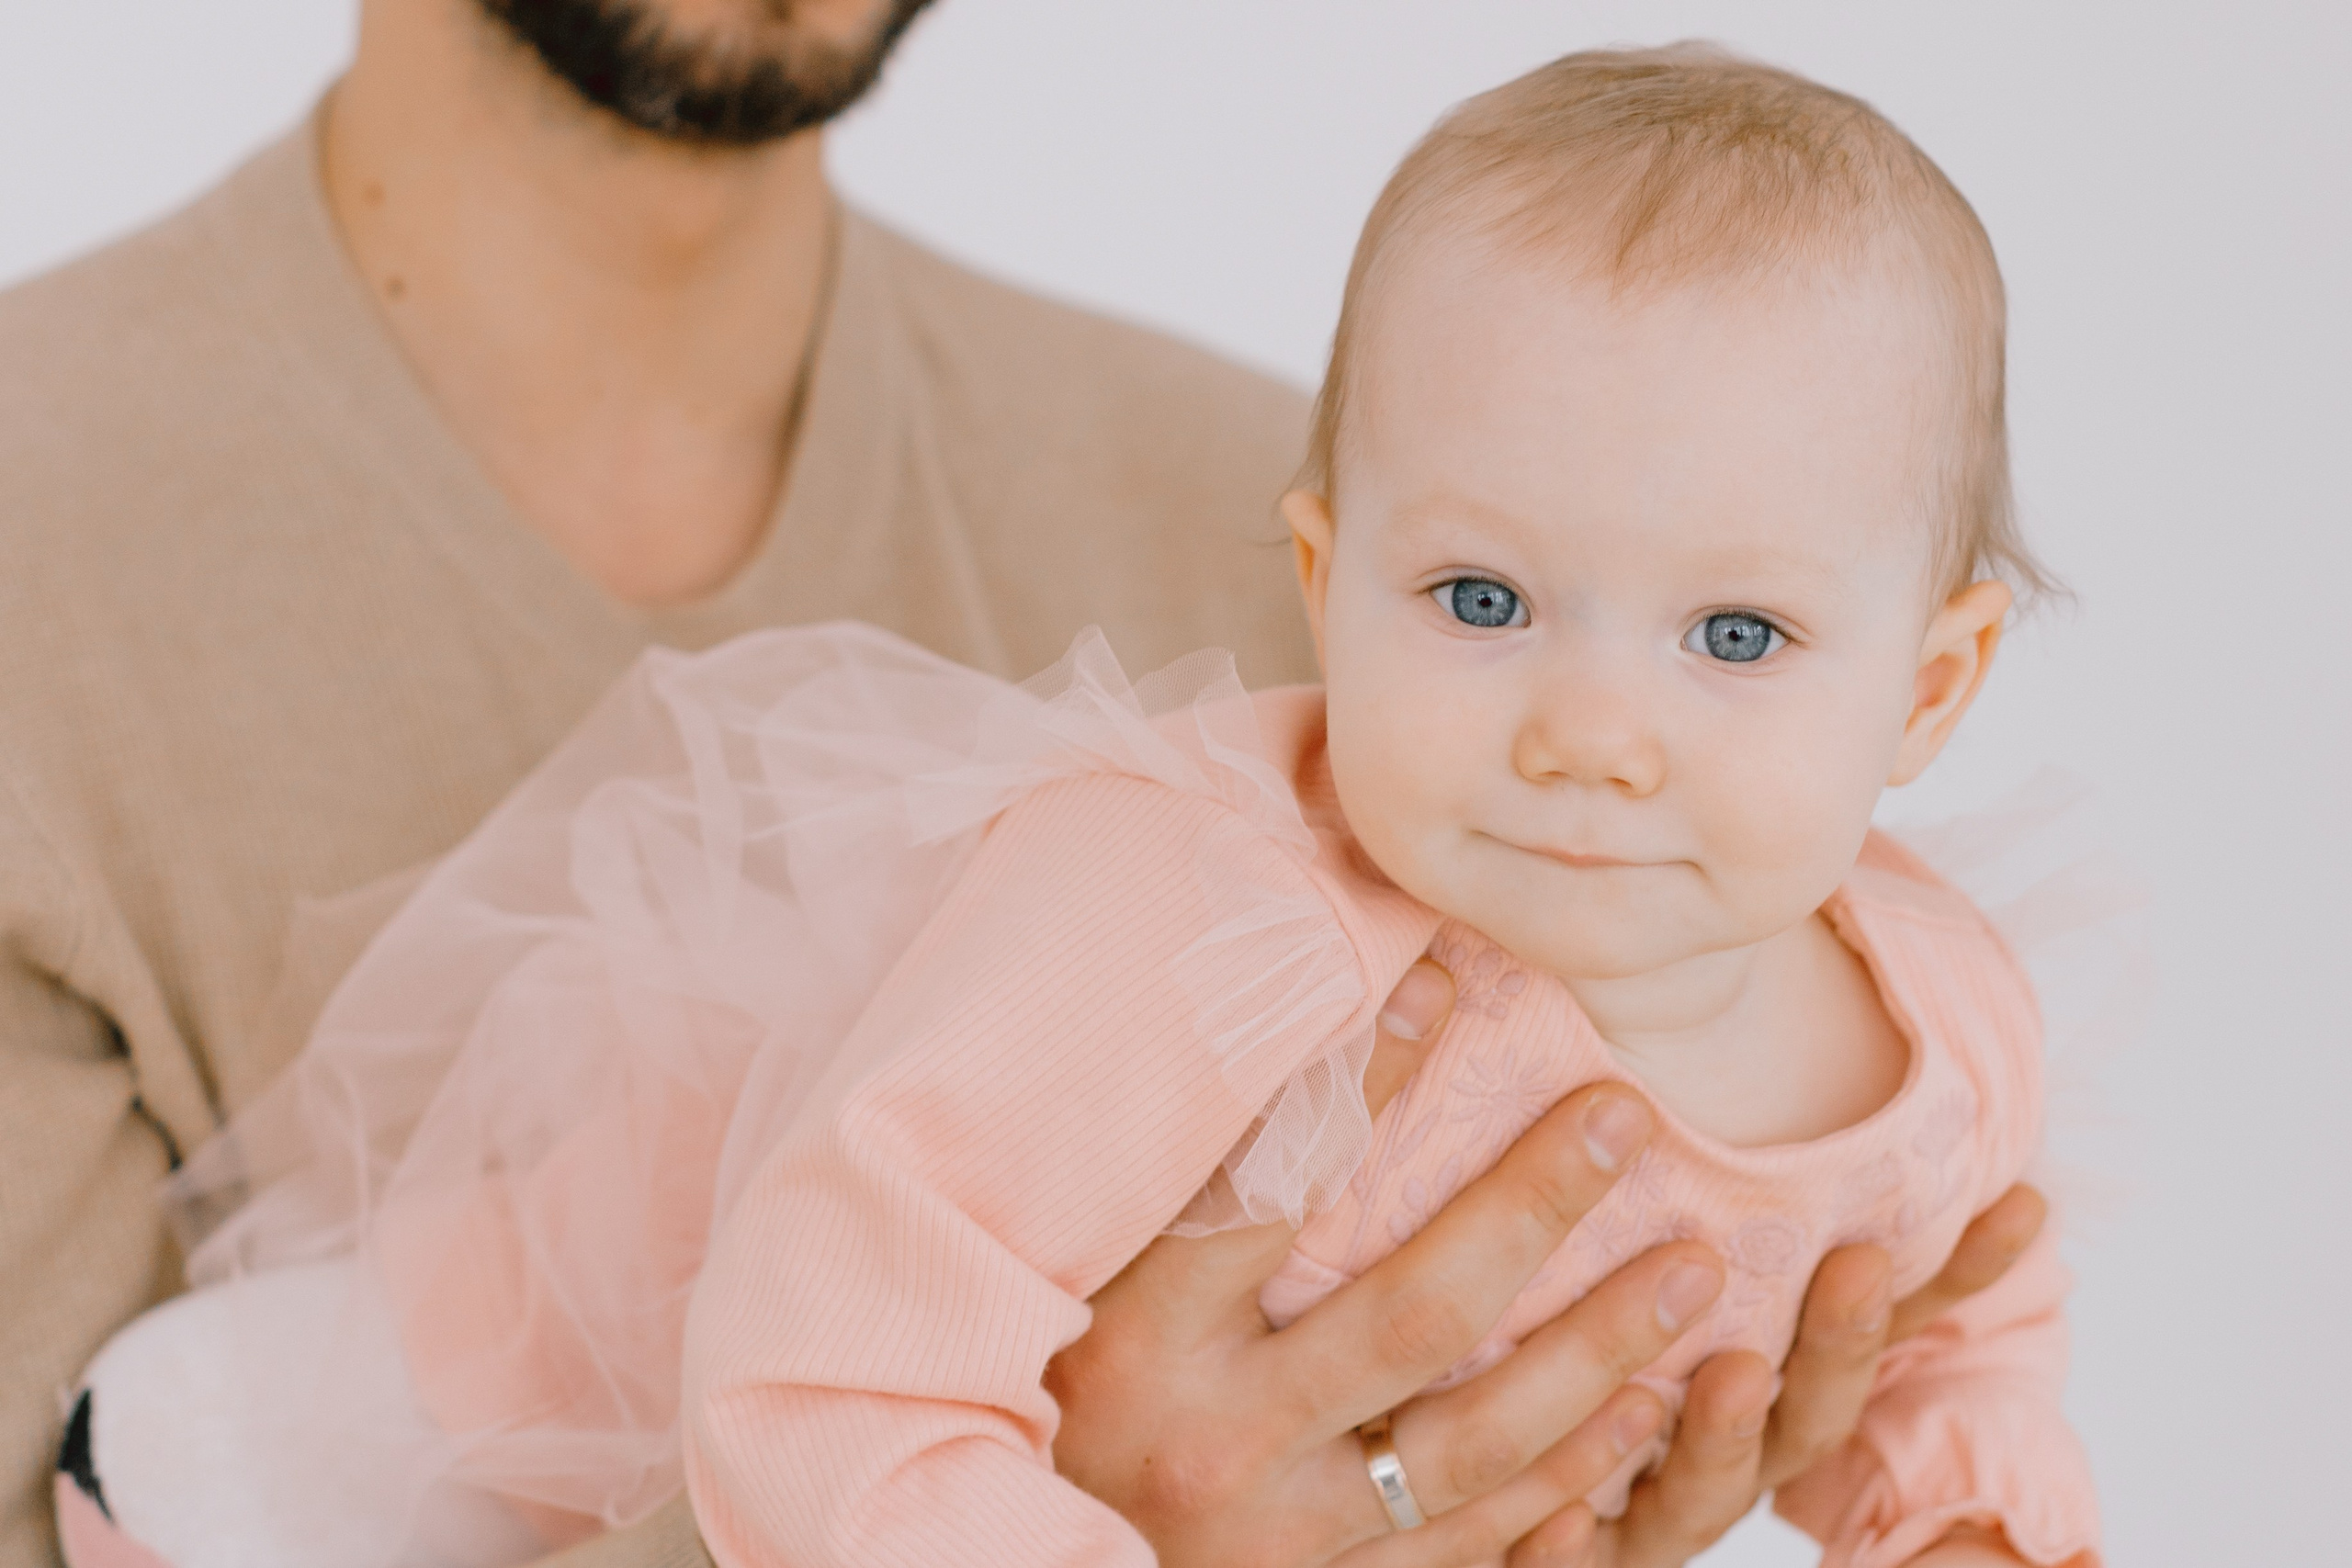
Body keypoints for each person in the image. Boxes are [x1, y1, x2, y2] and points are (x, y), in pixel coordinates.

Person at [0, 1, 2041, 1564]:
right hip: (515, 1361)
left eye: (1735, 638)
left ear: (1930, 680)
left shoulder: (1373, 481)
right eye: (1483, 600)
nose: (1591, 729)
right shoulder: (52, 567)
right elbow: (840, 1320)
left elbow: (1962, 1306)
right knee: (502, 1305)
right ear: (1355, 572)